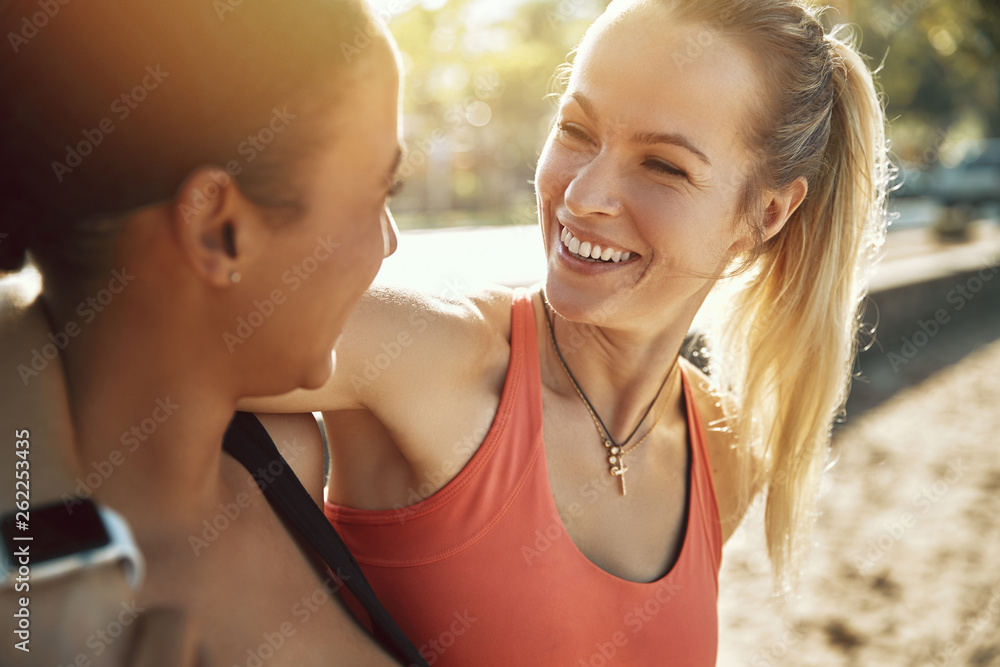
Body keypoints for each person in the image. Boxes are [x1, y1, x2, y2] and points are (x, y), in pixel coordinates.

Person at [243, 0, 890, 663]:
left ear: (768, 212)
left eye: (663, 165)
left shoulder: (725, 455)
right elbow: (149, 341)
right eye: (578, 130)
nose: (583, 194)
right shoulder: (419, 351)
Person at [0, 0, 412, 664]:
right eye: (377, 195)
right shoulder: (37, 621)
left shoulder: (292, 460)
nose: (389, 243)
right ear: (217, 230)